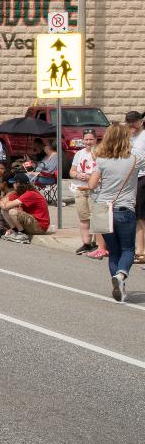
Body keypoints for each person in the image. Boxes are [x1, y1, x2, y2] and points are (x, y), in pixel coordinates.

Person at [87, 123, 138, 302]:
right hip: (124, 208)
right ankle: (121, 276)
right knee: (128, 248)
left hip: (102, 208)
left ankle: (117, 283)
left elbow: (92, 185)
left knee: (113, 250)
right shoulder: (134, 159)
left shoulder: (101, 160)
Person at [71, 129, 106, 257]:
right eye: (86, 139)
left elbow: (103, 172)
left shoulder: (100, 153)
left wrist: (91, 176)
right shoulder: (79, 154)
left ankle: (99, 244)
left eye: (91, 139)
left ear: (96, 140)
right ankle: (86, 243)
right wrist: (78, 175)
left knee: (96, 217)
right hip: (80, 188)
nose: (88, 142)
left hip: (95, 189)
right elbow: (72, 171)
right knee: (83, 216)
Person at [0, 173, 50, 243]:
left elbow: (6, 205)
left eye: (14, 183)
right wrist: (2, 202)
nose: (13, 185)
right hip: (32, 223)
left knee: (13, 212)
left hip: (40, 227)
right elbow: (3, 202)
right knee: (4, 210)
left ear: (18, 184)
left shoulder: (30, 193)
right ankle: (15, 231)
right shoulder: (19, 193)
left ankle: (22, 234)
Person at [127, 111, 145, 264]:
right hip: (132, 178)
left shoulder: (144, 136)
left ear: (141, 121)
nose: (131, 124)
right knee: (136, 215)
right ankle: (138, 249)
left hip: (143, 177)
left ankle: (141, 250)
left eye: (134, 121)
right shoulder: (129, 137)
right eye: (129, 122)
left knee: (141, 216)